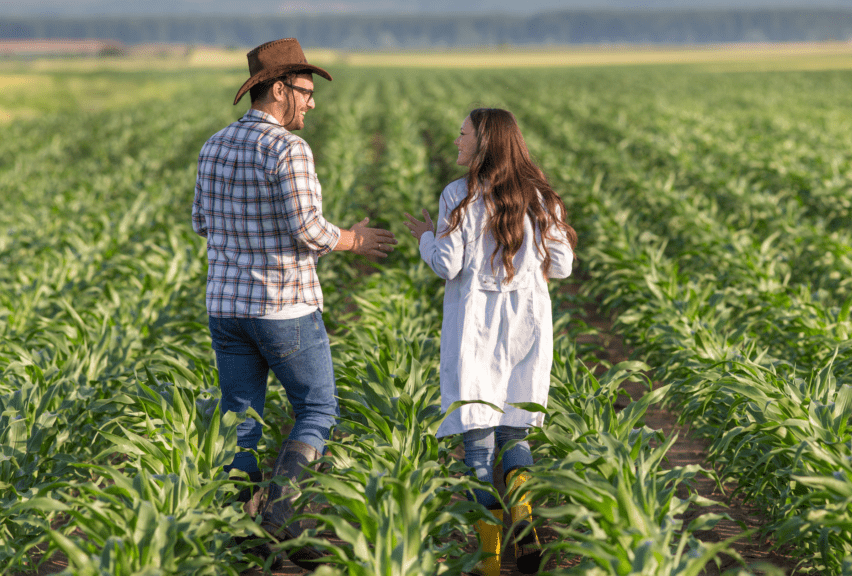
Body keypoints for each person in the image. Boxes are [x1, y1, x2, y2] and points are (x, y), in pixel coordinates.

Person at [192, 37, 397, 569]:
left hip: (225, 307)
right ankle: (276, 524)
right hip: (283, 307)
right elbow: (309, 231)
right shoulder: (288, 149)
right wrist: (354, 238)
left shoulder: (213, 144)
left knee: (241, 417)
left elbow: (199, 223)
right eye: (305, 91)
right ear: (279, 90)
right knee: (317, 408)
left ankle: (236, 531)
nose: (312, 102)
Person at [403, 108, 576, 576]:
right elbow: (561, 266)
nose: (456, 141)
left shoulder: (459, 195)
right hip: (527, 328)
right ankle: (524, 516)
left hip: (475, 331)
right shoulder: (540, 197)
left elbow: (448, 265)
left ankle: (490, 558)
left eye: (463, 135)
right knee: (515, 433)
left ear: (485, 144)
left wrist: (425, 238)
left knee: (477, 447)